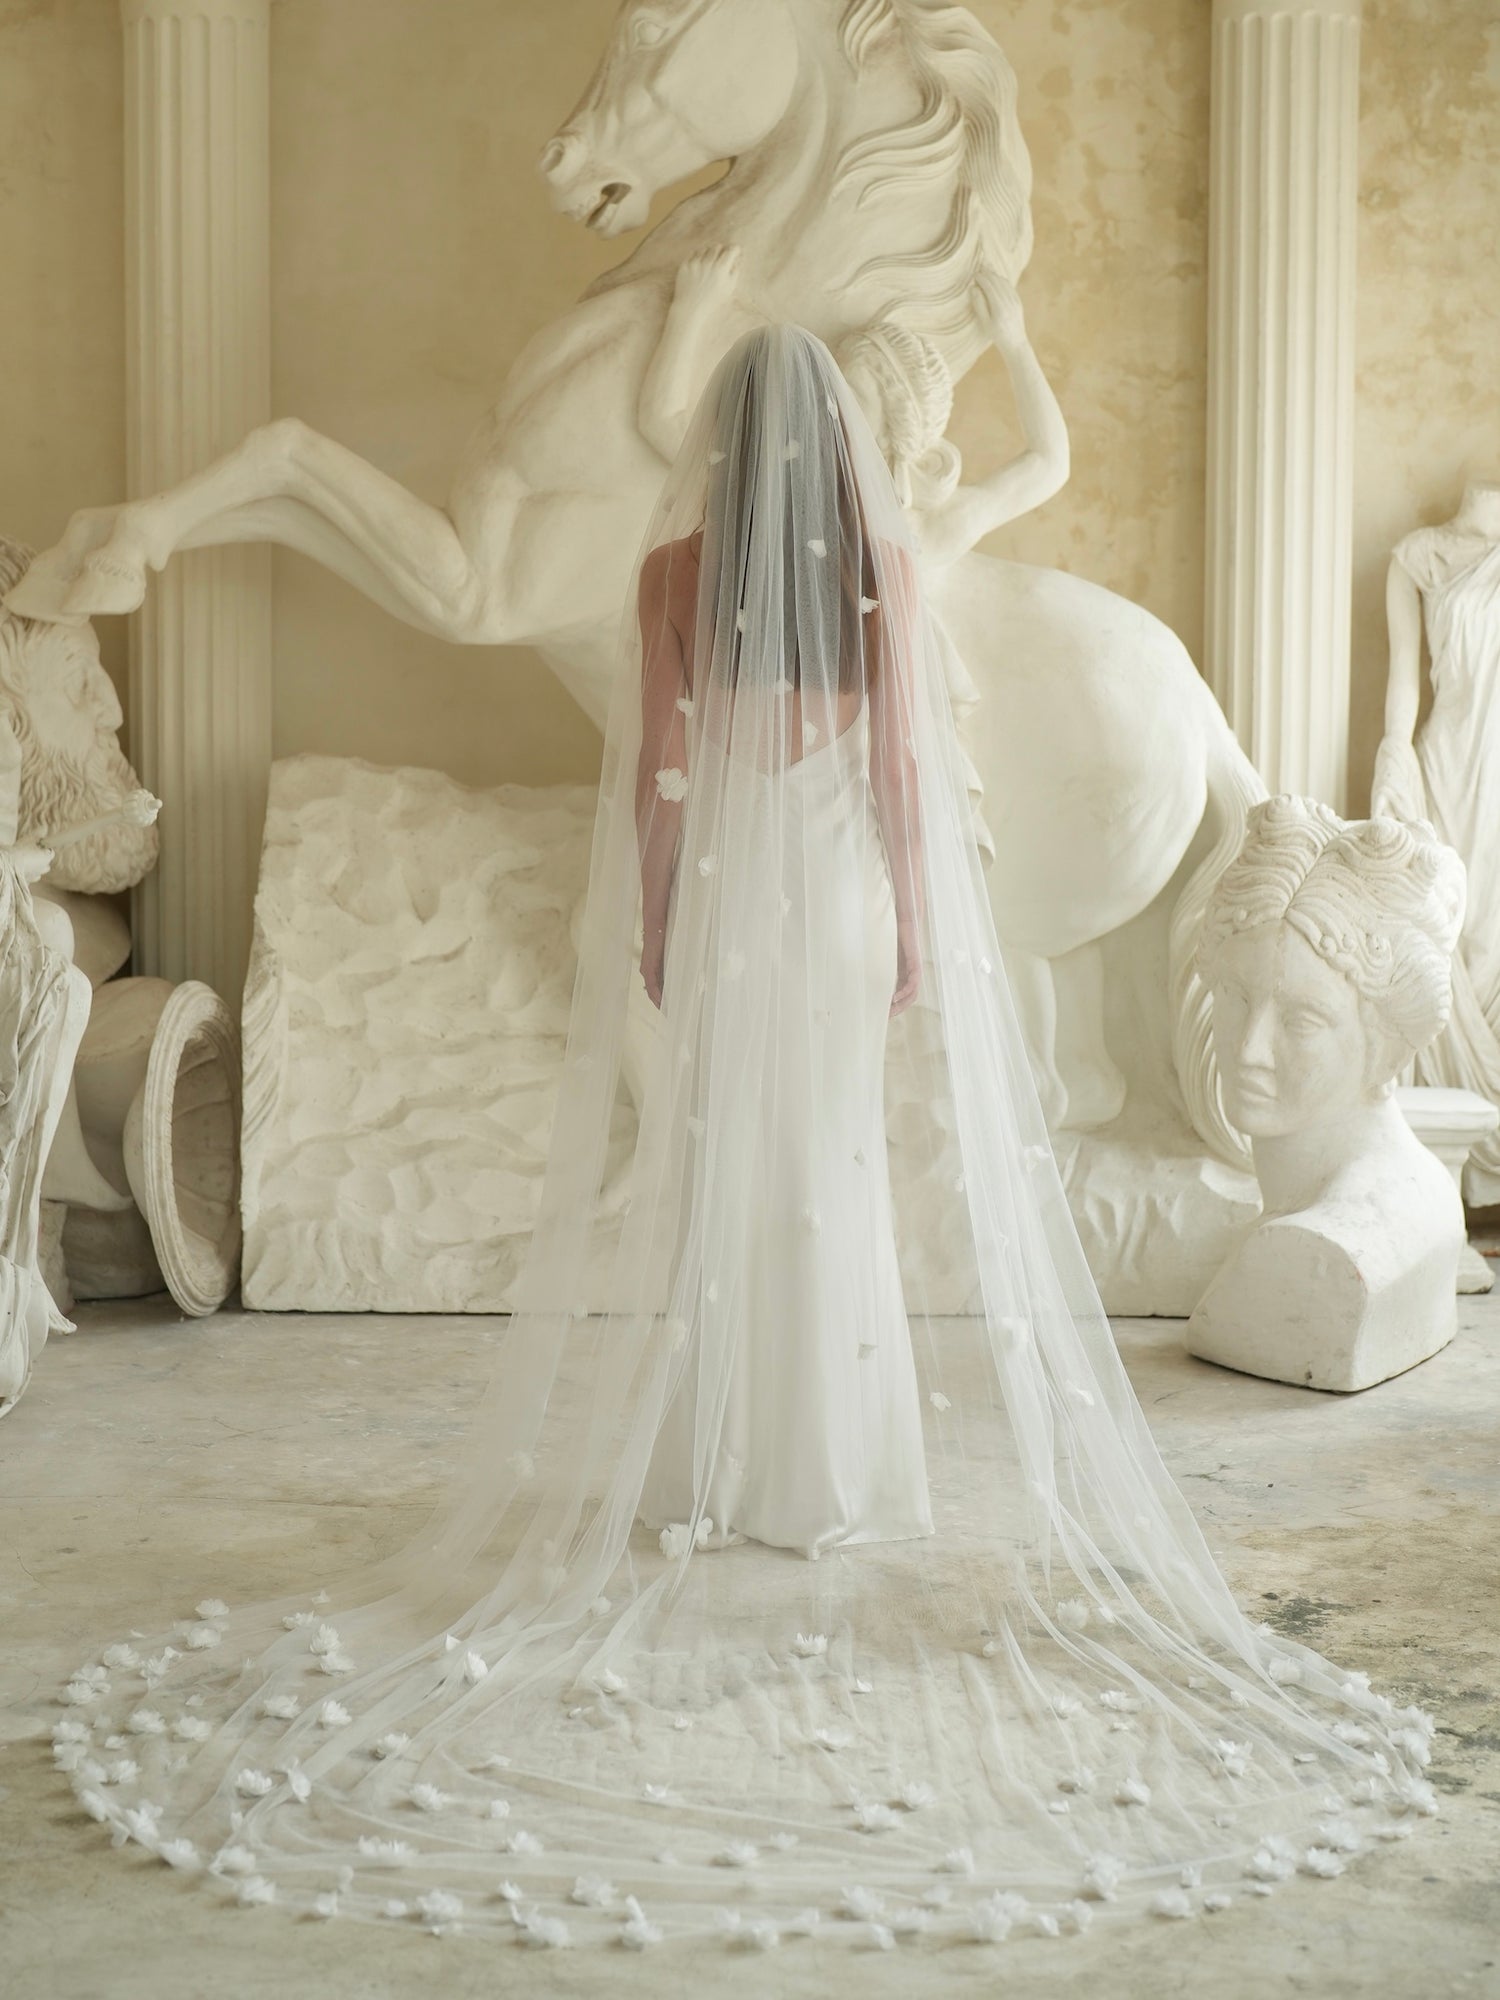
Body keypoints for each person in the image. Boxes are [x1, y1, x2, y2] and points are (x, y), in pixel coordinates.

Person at [51, 328, 1437, 1949]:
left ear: (721, 445)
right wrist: (912, 929)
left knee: (728, 1168)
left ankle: (716, 1460)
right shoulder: (887, 577)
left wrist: (656, 924)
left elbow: (658, 778)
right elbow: (909, 776)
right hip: (842, 894)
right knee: (828, 1175)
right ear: (838, 449)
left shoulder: (670, 578)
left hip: (732, 895)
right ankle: (834, 1470)